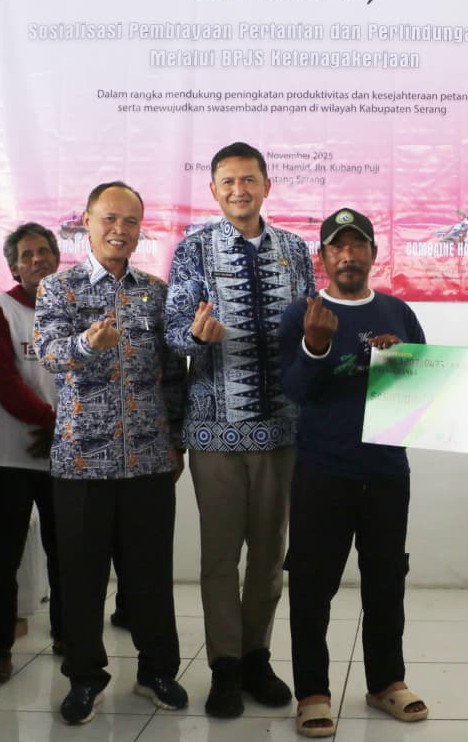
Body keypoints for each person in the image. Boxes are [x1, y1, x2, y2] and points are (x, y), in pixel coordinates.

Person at [165, 141, 315, 717]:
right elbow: (173, 330)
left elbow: (309, 327)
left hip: (281, 429)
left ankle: (256, 656)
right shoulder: (193, 249)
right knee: (219, 557)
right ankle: (224, 666)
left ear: (266, 186)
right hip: (214, 430)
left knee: (270, 554)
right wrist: (195, 335)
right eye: (227, 181)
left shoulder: (295, 250)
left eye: (248, 179)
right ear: (213, 190)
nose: (238, 190)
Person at [34, 181, 188, 725]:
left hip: (149, 458)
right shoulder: (60, 288)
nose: (119, 230)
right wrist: (86, 344)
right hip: (81, 461)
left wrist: (176, 441)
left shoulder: (157, 293)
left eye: (130, 221)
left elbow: (173, 375)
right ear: (87, 221)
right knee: (81, 577)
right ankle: (85, 677)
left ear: (140, 228)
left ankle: (157, 671)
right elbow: (49, 354)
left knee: (150, 573)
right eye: (109, 219)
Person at [278, 208, 428, 738]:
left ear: (373, 253)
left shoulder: (398, 312)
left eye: (357, 245)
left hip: (387, 472)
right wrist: (316, 346)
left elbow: (423, 393)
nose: (348, 255)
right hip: (322, 470)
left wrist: (402, 364)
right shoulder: (302, 313)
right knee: (311, 586)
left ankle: (386, 682)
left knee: (386, 581)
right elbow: (294, 392)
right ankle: (312, 692)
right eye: (337, 247)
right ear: (322, 257)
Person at [0, 222, 64, 685]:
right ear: (14, 267)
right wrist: (52, 422)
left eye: (44, 251)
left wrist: (60, 432)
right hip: (9, 457)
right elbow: (6, 383)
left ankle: (68, 635)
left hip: (65, 457)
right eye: (26, 255)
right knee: (0, 559)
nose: (37, 260)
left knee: (66, 555)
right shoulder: (0, 311)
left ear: (57, 258)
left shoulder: (71, 308)